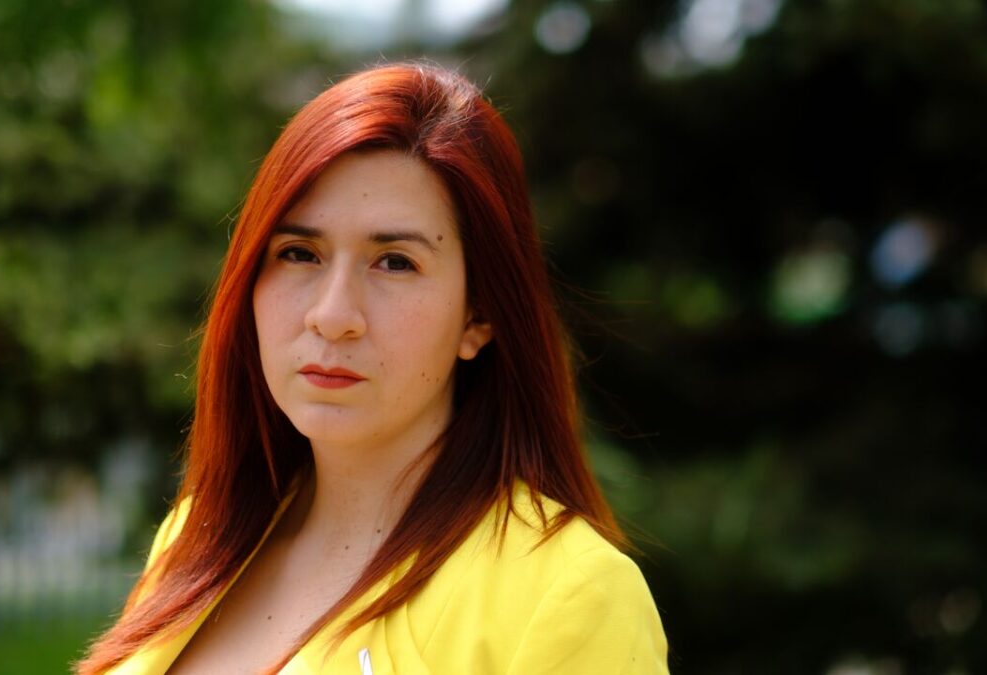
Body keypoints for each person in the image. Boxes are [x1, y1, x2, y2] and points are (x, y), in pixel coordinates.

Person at [78, 62, 668, 674]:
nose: (333, 316)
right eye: (299, 253)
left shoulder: (566, 594)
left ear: (479, 314)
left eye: (395, 262)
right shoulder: (196, 539)